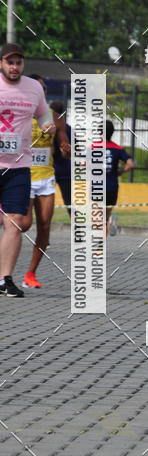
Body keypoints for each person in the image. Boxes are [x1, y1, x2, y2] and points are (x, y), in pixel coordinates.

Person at [0, 43, 54, 297]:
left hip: (20, 166)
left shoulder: (33, 88)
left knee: (15, 223)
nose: (14, 67)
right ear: (1, 63)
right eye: (10, 62)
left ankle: (5, 279)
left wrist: (48, 125)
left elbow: (44, 115)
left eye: (18, 62)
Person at [20, 76, 69, 288]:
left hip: (46, 176)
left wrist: (65, 149)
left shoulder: (56, 118)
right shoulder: (17, 115)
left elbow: (64, 144)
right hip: (22, 174)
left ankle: (30, 274)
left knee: (45, 226)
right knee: (24, 224)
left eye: (42, 89)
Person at [104, 119, 134, 235]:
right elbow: (130, 164)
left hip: (97, 186)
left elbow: (83, 163)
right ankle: (110, 221)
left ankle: (98, 250)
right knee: (105, 217)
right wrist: (121, 171)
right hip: (112, 187)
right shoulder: (118, 149)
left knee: (96, 217)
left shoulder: (92, 147)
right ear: (112, 132)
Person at [50, 100, 72, 218]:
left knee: (42, 203)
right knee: (70, 203)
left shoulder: (44, 127)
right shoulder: (69, 129)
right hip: (65, 170)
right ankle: (78, 228)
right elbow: (75, 149)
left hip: (48, 170)